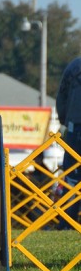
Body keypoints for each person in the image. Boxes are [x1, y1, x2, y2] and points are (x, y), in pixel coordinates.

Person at [55, 56, 81, 226]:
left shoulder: (73, 66)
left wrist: (66, 120)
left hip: (74, 128)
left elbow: (61, 98)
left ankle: (67, 223)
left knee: (72, 178)